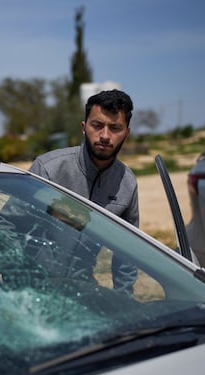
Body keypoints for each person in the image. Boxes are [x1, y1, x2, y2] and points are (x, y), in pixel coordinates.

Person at [29, 89, 138, 294]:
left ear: (127, 133)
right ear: (84, 127)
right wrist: (15, 282)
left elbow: (127, 253)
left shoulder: (127, 183)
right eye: (97, 125)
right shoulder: (48, 169)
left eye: (115, 128)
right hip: (35, 288)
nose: (105, 136)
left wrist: (125, 300)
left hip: (82, 289)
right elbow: (10, 223)